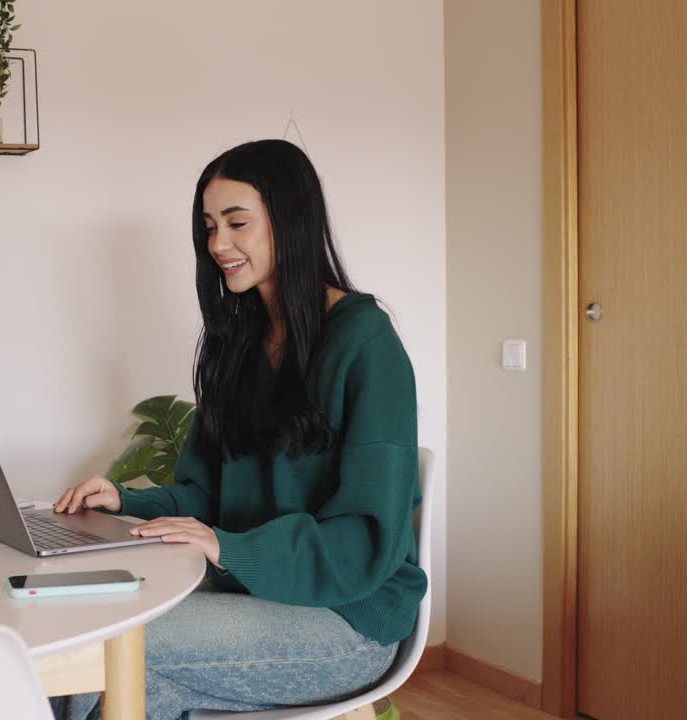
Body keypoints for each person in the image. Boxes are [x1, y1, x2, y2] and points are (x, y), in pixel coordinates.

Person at [49, 139, 426, 720]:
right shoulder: (244, 343)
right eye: (208, 226)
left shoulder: (366, 345)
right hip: (254, 591)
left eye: (236, 223)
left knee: (113, 647)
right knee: (99, 647)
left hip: (349, 618)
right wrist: (126, 499)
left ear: (290, 221)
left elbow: (365, 537)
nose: (217, 244)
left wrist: (228, 545)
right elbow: (204, 493)